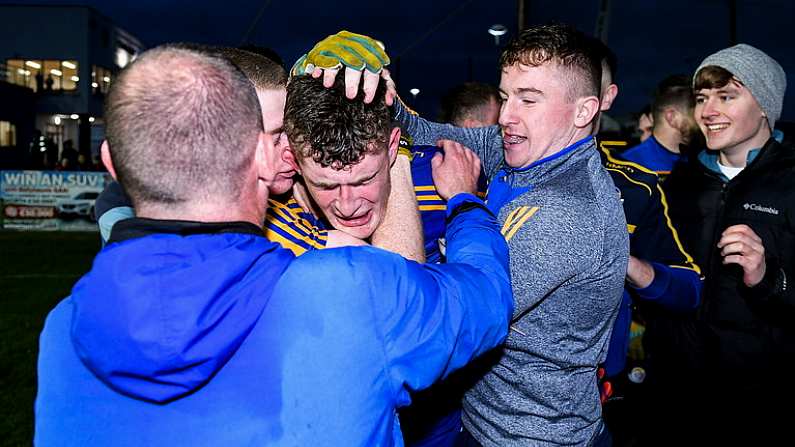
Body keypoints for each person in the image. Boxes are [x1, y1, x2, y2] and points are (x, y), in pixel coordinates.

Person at [35, 43, 515, 446]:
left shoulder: (61, 333)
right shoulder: (346, 290)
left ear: (111, 163)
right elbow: (487, 298)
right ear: (266, 155)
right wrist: (467, 208)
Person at [297, 25, 629, 445]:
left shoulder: (570, 212)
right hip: (481, 421)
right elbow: (428, 132)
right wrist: (373, 91)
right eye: (506, 96)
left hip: (530, 436)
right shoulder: (520, 147)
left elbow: (450, 315)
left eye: (529, 99)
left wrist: (461, 199)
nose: (507, 116)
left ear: (583, 112)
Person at [659, 43, 794, 444]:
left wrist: (769, 277)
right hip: (680, 394)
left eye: (727, 96)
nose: (708, 111)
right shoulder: (678, 184)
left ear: (765, 105)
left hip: (765, 400)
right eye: (702, 98)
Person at [620, 75, 702, 178]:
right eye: (693, 111)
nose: (702, 116)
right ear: (672, 117)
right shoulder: (629, 166)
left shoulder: (701, 160)